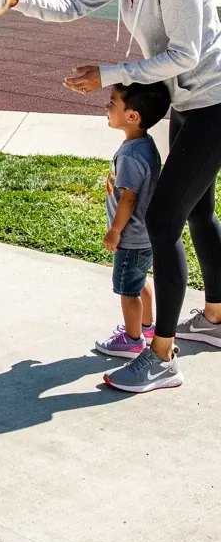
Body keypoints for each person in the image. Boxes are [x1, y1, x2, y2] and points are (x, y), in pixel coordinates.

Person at [11, 0, 221, 393]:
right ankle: (216, 318)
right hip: (188, 102)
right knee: (197, 210)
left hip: (215, 103)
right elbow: (73, 4)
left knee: (162, 220)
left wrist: (109, 74)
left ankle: (163, 355)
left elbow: (187, 55)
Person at [94, 81, 171, 363]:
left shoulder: (130, 155)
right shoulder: (145, 145)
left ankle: (132, 339)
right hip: (145, 234)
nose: (107, 107)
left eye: (113, 103)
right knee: (140, 281)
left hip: (131, 236)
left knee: (128, 288)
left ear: (132, 116)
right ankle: (147, 327)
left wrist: (115, 231)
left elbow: (128, 199)